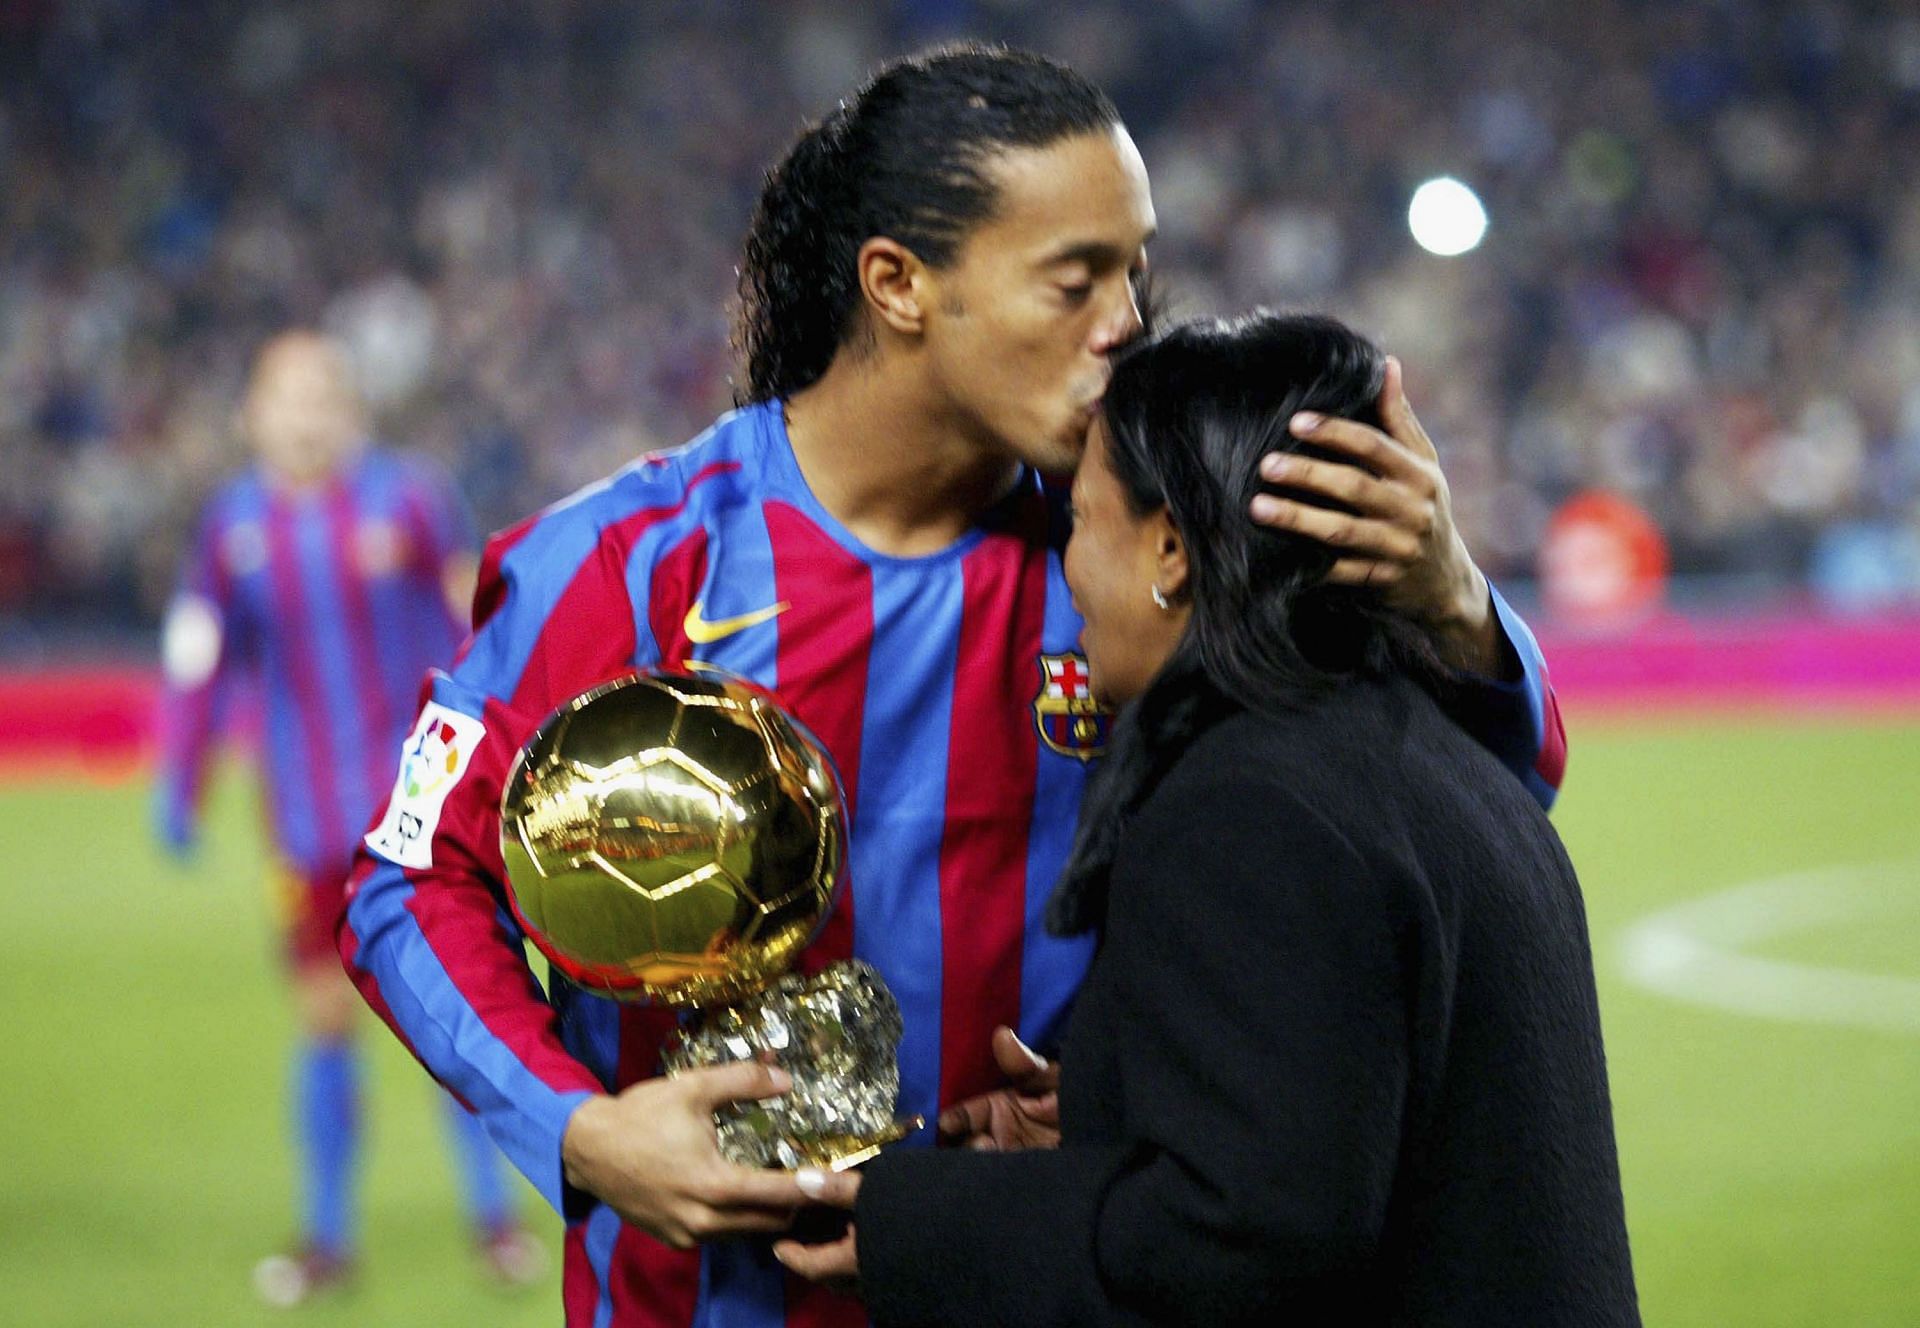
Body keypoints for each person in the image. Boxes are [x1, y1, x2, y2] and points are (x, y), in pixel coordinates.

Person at [339, 45, 1569, 1327]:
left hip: (1042, 1288)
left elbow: (1479, 800)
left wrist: (1456, 601)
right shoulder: (628, 565)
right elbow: (408, 877)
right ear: (899, 285)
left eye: (1134, 270)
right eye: (1074, 279)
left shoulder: (1143, 554)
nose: (1127, 325)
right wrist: (583, 1132)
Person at [775, 312, 1639, 1326]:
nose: (1068, 574)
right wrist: (1116, 1104)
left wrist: (916, 1214)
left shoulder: (1245, 811)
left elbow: (1236, 1244)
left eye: (1082, 524)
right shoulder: (1451, 763)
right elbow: (1341, 1135)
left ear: (1173, 549)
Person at [154, 331, 545, 1306]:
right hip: (303, 816)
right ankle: (328, 1236)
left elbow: (475, 617)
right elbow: (202, 655)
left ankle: (496, 1220)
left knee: (451, 1009)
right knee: (325, 1017)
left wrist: (499, 745)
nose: (308, 411)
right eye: (288, 395)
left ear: (352, 406)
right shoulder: (231, 524)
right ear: (253, 411)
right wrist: (182, 774)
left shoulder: (408, 496)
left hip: (420, 811)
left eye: (325, 392)